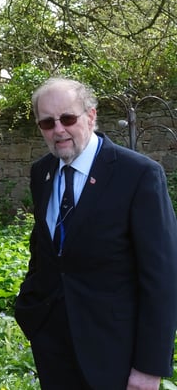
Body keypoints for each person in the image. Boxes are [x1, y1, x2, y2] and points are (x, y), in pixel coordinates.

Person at [14, 77, 177, 390]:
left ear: (91, 116)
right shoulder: (42, 172)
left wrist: (149, 367)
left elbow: (162, 278)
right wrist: (30, 310)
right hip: (53, 345)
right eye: (47, 122)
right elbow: (45, 250)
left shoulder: (138, 174)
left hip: (114, 352)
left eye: (68, 118)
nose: (58, 130)